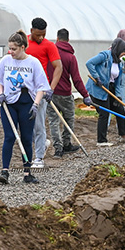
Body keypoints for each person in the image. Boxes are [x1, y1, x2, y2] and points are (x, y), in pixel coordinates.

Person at [0, 30, 50, 184]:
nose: (10, 51)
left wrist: (36, 105)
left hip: (27, 104)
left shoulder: (33, 63)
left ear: (23, 47)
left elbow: (41, 86)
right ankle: (5, 172)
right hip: (8, 103)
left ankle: (27, 173)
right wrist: (1, 94)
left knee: (26, 138)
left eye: (14, 49)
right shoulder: (5, 61)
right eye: (9, 48)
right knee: (10, 137)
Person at [46, 28, 92, 157]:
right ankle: (67, 144)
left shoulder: (50, 54)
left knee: (53, 121)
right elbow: (76, 79)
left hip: (51, 93)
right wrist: (85, 95)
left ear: (57, 38)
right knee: (69, 119)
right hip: (65, 95)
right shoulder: (70, 57)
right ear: (68, 40)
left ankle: (58, 149)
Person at [85, 38, 125, 146]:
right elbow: (89, 63)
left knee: (119, 109)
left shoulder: (119, 62)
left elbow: (118, 81)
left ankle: (123, 136)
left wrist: (118, 96)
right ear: (118, 49)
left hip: (110, 87)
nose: (124, 54)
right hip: (97, 88)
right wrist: (96, 77)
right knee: (104, 112)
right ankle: (101, 141)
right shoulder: (105, 55)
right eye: (123, 51)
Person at [25, 17, 62, 168]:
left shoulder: (49, 46)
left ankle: (39, 158)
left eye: (44, 34)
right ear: (31, 31)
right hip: (23, 90)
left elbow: (58, 67)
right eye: (38, 34)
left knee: (39, 124)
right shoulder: (23, 43)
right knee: (24, 125)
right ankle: (43, 142)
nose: (41, 37)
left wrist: (51, 88)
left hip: (40, 89)